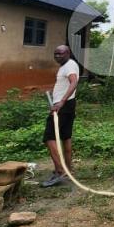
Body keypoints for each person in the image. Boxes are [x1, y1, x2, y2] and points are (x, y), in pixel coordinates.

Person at [41, 45, 79, 187]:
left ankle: (59, 171)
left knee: (49, 137)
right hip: (68, 105)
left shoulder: (69, 66)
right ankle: (68, 170)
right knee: (65, 137)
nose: (57, 56)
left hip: (62, 106)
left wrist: (61, 101)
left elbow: (74, 82)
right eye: (55, 54)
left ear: (68, 53)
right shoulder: (67, 65)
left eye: (60, 54)